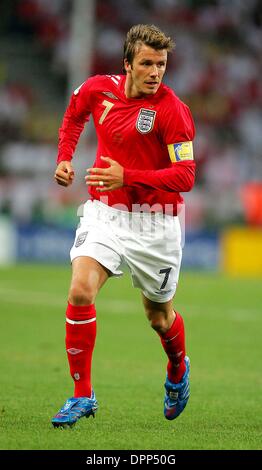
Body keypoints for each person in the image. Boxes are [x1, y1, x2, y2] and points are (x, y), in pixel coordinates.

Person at [52, 24, 195, 427]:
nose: (155, 72)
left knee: (158, 316)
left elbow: (185, 176)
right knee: (80, 290)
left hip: (157, 224)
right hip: (106, 213)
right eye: (147, 63)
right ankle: (82, 395)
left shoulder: (172, 110)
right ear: (128, 65)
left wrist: (127, 176)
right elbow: (73, 115)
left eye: (162, 64)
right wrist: (65, 157)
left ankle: (178, 367)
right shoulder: (99, 89)